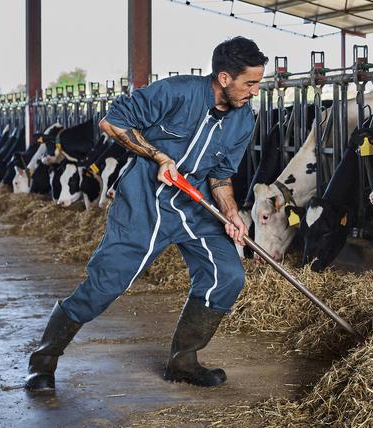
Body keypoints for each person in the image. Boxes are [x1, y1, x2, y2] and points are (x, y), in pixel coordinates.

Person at [24, 36, 267, 392]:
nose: (255, 91)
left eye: (259, 83)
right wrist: (159, 157)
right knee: (105, 284)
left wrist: (231, 213)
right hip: (144, 202)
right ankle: (43, 361)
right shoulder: (176, 92)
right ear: (225, 77)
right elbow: (113, 122)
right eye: (250, 83)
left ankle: (183, 361)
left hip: (194, 205)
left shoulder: (243, 118)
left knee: (227, 274)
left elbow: (221, 175)